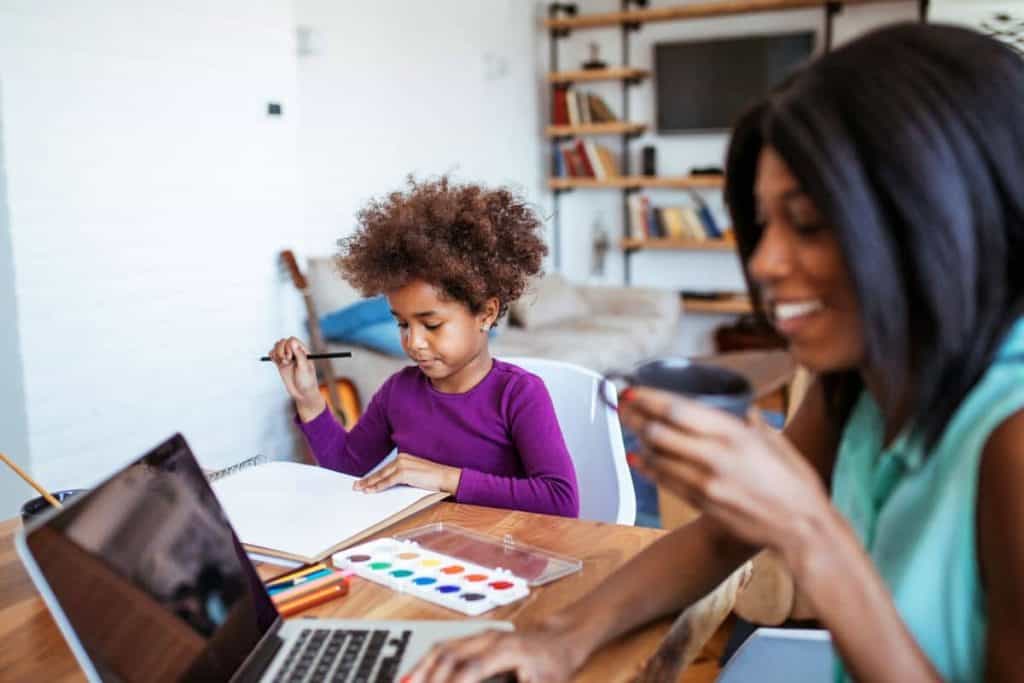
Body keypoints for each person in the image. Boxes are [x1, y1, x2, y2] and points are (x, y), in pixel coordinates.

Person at [407, 23, 1024, 682]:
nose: (763, 261)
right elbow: (724, 534)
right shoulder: (863, 385)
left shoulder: (1011, 437)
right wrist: (558, 638)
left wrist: (811, 533)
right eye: (763, 224)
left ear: (943, 214)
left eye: (809, 224)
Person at [269, 178, 579, 518]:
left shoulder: (518, 393)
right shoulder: (398, 392)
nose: (413, 342)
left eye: (431, 325)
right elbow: (346, 468)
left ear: (486, 314)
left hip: (506, 552)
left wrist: (445, 478)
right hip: (424, 550)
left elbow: (560, 500)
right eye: (402, 324)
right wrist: (308, 399)